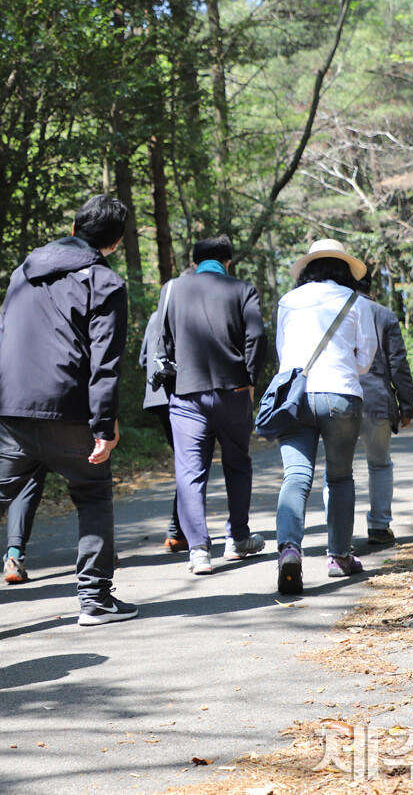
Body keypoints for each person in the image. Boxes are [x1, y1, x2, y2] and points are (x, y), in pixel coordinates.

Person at [0, 193, 136, 642]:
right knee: (93, 496)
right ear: (113, 244)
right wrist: (103, 424)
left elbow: (0, 338)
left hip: (13, 408)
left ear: (75, 228)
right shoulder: (105, 282)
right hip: (70, 409)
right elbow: (104, 362)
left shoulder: (24, 272)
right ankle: (95, 599)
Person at [272, 238, 377, 595]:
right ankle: (340, 556)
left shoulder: (288, 301)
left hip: (295, 398)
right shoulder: (356, 302)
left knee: (296, 477)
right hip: (340, 394)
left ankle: (289, 549)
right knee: (340, 478)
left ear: (308, 268)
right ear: (344, 269)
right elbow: (365, 361)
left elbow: (283, 352)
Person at [159, 236, 268, 575]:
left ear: (194, 262)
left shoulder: (172, 289)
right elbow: (258, 336)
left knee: (190, 472)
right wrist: (249, 379)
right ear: (228, 262)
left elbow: (162, 339)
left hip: (186, 393)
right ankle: (236, 539)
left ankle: (199, 552)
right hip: (233, 391)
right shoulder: (242, 289)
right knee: (237, 464)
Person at [322, 272, 413, 547]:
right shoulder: (384, 315)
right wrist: (406, 404)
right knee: (380, 464)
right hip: (377, 401)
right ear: (369, 288)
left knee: (336, 471)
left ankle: (337, 533)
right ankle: (378, 526)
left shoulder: (327, 312)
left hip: (337, 399)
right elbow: (398, 364)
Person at [137, 307, 185, 552]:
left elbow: (144, 359)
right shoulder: (185, 311)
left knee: (185, 460)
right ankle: (177, 530)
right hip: (182, 396)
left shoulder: (155, 315)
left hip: (157, 397)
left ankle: (179, 530)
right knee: (190, 462)